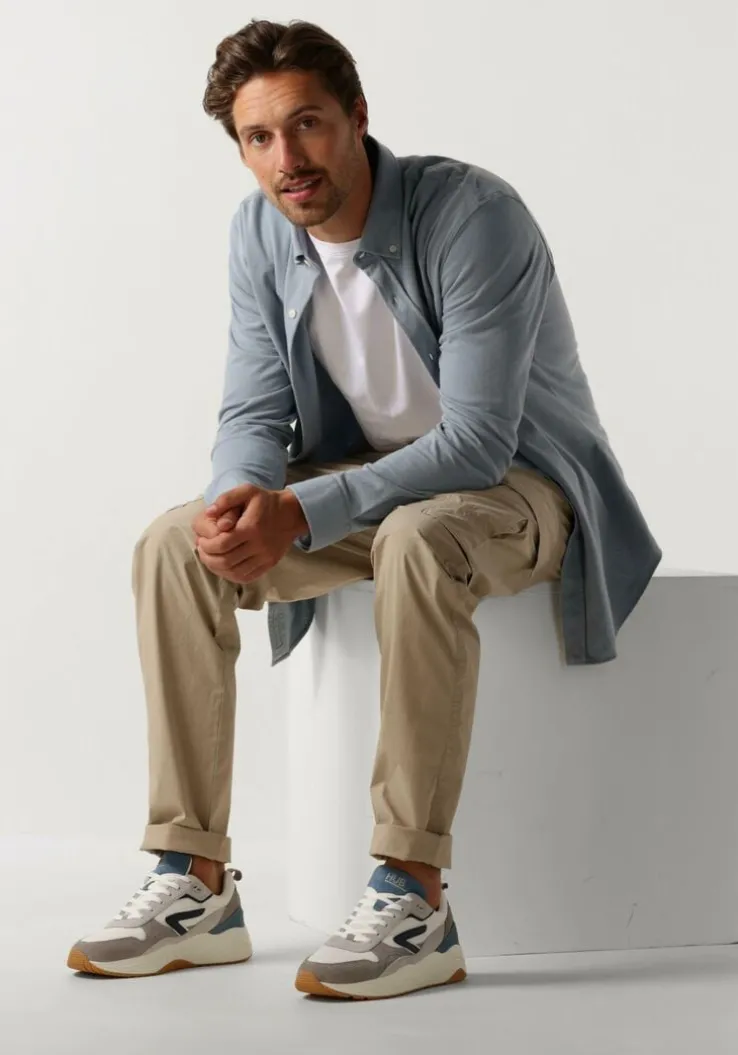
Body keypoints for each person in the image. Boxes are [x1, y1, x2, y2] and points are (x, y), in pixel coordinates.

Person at [67, 18, 661, 999]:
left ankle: (413, 894)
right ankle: (195, 878)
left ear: (357, 118)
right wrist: (239, 498)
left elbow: (476, 440)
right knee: (174, 544)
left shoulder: (473, 216)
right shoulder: (260, 231)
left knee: (422, 537)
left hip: (522, 484)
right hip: (372, 484)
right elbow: (253, 408)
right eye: (259, 137)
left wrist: (303, 513)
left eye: (307, 124)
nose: (287, 159)